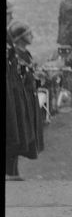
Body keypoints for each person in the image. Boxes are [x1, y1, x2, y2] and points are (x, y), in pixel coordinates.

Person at [6, 21, 44, 180]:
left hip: (28, 101)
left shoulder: (24, 54)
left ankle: (14, 171)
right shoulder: (18, 57)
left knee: (23, 137)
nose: (32, 36)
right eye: (28, 34)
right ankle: (12, 173)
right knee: (17, 137)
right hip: (22, 102)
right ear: (20, 38)